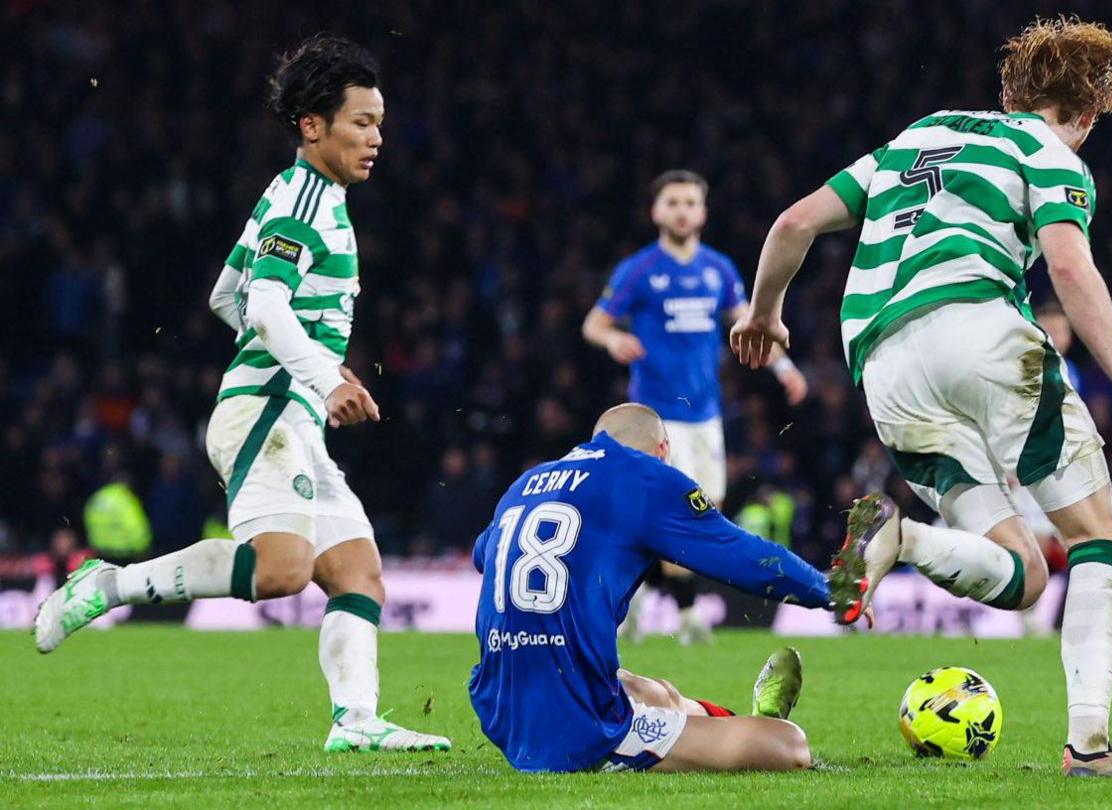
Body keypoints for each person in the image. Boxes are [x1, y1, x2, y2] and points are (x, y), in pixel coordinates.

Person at [732, 17, 1112, 777]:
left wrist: (764, 313)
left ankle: (901, 539)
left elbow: (794, 222)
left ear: (1011, 89)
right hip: (978, 328)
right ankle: (1090, 749)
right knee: (1100, 536)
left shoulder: (921, 134)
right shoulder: (1048, 152)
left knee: (1026, 575)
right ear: (1090, 113)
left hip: (883, 365)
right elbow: (1069, 271)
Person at [33, 35, 449, 752]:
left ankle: (356, 723)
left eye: (379, 123)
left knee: (358, 571)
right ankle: (106, 585)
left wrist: (312, 366)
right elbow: (261, 307)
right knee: (283, 569)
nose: (376, 137)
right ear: (313, 125)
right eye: (361, 122)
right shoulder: (307, 204)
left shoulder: (298, 194)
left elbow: (227, 294)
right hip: (269, 411)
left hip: (290, 409)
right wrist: (320, 375)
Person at [468, 403, 828, 772]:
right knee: (791, 746)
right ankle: (763, 722)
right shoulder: (644, 477)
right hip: (576, 724)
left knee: (656, 694)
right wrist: (828, 590)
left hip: (500, 697)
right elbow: (744, 556)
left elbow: (483, 554)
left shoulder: (526, 483)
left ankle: (718, 719)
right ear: (663, 450)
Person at [582, 170, 808, 644]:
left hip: (706, 414)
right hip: (656, 417)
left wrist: (785, 369)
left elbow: (751, 326)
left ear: (703, 213)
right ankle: (684, 617)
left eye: (690, 202)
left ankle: (641, 599)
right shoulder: (640, 270)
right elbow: (594, 324)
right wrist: (614, 338)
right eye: (673, 202)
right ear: (656, 211)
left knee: (707, 512)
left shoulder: (718, 270)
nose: (682, 210)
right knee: (678, 510)